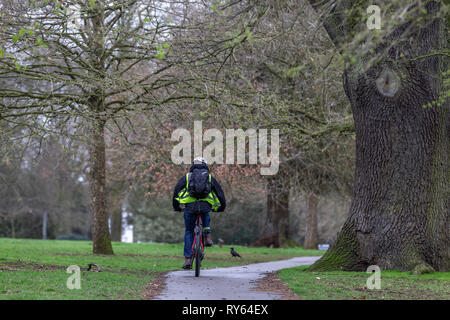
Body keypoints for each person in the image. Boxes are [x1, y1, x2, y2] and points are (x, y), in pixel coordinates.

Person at [173, 157, 226, 269]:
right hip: (204, 206)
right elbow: (220, 194)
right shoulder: (210, 178)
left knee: (189, 231)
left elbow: (176, 191)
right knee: (205, 212)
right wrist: (222, 207)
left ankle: (187, 259)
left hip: (190, 207)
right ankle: (207, 236)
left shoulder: (187, 177)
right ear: (205, 165)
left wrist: (176, 206)